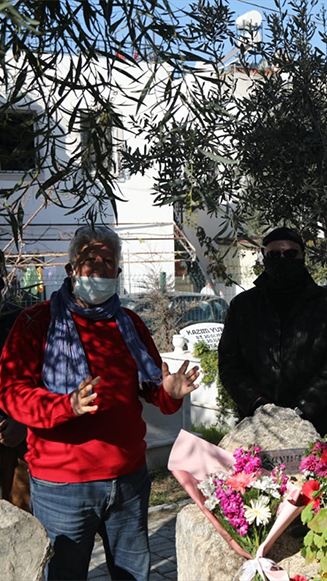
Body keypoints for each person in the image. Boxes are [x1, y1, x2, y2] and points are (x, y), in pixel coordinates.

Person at [0, 225, 199, 581]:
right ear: (71, 269)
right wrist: (66, 406)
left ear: (119, 273)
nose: (99, 269)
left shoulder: (130, 324)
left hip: (128, 481)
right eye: (89, 260)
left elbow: (152, 389)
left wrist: (169, 392)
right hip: (62, 488)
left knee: (134, 575)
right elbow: (13, 394)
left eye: (108, 261)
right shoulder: (35, 322)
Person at [218, 226, 327, 436]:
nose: (283, 259)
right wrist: (258, 404)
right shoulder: (243, 306)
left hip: (314, 422)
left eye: (290, 254)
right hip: (256, 423)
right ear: (264, 257)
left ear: (303, 256)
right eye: (274, 254)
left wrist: (302, 409)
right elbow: (229, 362)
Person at [0, 257, 27, 512]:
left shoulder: (23, 321)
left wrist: (23, 422)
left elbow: (44, 379)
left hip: (17, 440)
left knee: (23, 523)